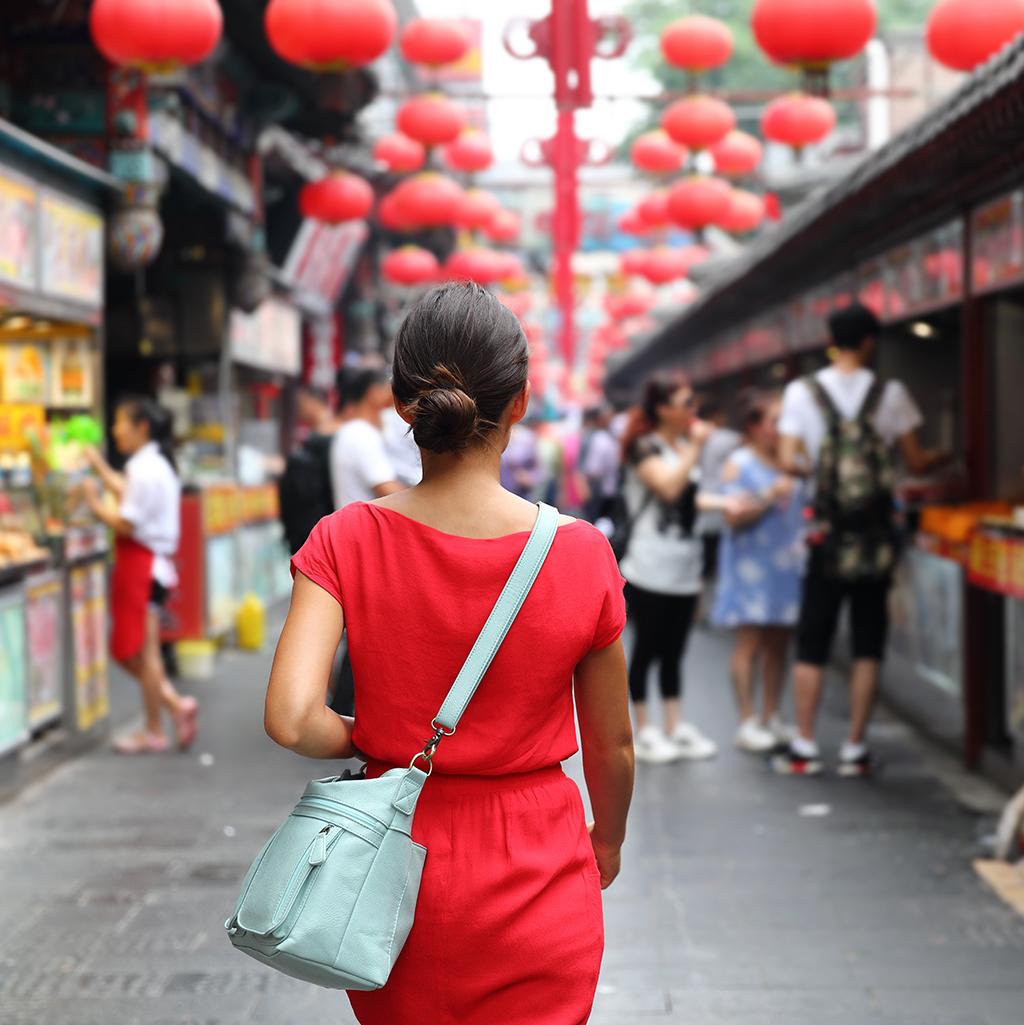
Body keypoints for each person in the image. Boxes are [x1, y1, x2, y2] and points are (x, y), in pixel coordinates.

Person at [265, 282, 634, 1025]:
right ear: (522, 402)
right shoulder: (580, 552)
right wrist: (609, 838)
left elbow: (292, 718)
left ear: (404, 405)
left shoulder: (345, 539)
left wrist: (372, 735)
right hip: (540, 862)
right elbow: (614, 744)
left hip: (393, 867)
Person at [774, 302, 948, 776]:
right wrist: (946, 455)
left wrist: (817, 470)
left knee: (813, 640)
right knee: (868, 641)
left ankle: (805, 743)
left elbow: (788, 459)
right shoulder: (889, 393)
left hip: (824, 535)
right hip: (874, 538)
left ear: (831, 338)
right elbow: (914, 462)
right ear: (870, 341)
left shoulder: (801, 392)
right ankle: (855, 747)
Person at [77, 396, 197, 754]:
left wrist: (94, 504)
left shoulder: (143, 470)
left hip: (142, 566)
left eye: (119, 421)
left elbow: (127, 522)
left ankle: (157, 727)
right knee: (141, 653)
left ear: (140, 426)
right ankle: (172, 709)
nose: (115, 430)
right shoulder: (152, 464)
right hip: (148, 566)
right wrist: (98, 466)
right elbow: (127, 494)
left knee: (140, 654)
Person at [618, 373, 718, 763]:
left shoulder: (680, 447)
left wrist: (729, 504)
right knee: (647, 647)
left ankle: (676, 725)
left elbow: (689, 500)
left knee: (675, 650)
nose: (693, 410)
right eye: (686, 402)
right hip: (649, 565)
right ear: (663, 409)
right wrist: (695, 448)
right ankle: (645, 729)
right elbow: (669, 488)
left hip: (685, 566)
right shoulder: (645, 447)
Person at [712, 392, 804, 754]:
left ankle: (771, 714)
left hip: (787, 564)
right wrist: (767, 495)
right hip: (750, 566)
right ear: (754, 426)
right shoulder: (739, 462)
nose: (781, 430)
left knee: (780, 642)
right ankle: (747, 719)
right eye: (774, 421)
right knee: (749, 644)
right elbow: (732, 514)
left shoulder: (792, 462)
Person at [329, 367, 404, 509]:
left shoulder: (361, 431)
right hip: (362, 528)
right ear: (374, 392)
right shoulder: (359, 433)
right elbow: (387, 489)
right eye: (389, 390)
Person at [279, 385, 336, 556]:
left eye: (301, 403)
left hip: (314, 531)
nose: (299, 409)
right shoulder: (320, 435)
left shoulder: (326, 437)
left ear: (314, 401)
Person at [695, 397, 742, 599]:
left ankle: (697, 606)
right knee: (715, 560)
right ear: (716, 415)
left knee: (701, 563)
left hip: (698, 503)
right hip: (720, 505)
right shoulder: (729, 438)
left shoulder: (691, 437)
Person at [581, 404, 622, 527]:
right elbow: (593, 470)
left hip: (607, 492)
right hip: (600, 493)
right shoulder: (600, 439)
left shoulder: (608, 437)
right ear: (600, 420)